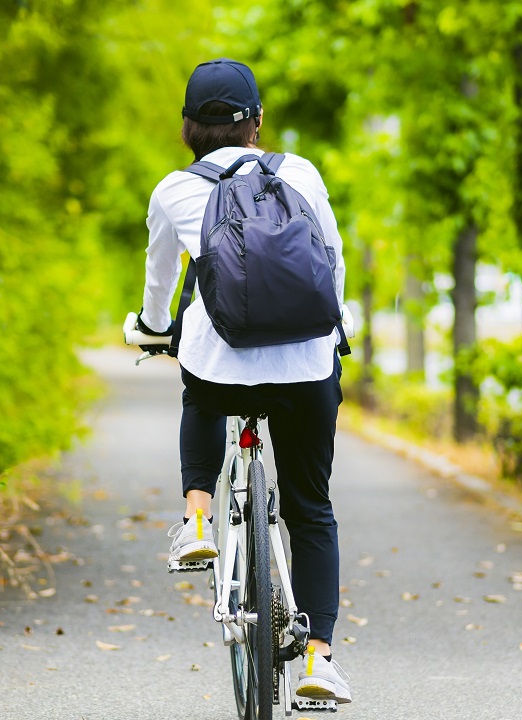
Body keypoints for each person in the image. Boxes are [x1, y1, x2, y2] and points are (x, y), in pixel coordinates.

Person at [136, 57, 351, 705]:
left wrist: (151, 329)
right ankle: (318, 659)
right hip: (306, 368)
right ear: (258, 124)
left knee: (195, 377)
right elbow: (332, 263)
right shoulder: (302, 173)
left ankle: (198, 519)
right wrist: (333, 334)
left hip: (222, 366)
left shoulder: (174, 190)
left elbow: (156, 290)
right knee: (312, 509)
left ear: (187, 129)